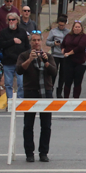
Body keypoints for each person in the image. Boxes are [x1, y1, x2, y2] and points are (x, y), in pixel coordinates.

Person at [16, 32, 57, 162]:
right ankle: (29, 153)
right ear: (30, 42)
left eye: (38, 40)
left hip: (46, 92)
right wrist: (30, 59)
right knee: (28, 124)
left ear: (41, 42)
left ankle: (43, 152)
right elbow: (19, 70)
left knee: (46, 125)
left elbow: (54, 72)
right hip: (30, 91)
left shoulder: (48, 56)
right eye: (34, 40)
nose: (36, 42)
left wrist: (45, 62)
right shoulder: (24, 55)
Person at [0, 12, 29, 99]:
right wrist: (13, 41)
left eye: (13, 19)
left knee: (21, 83)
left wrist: (27, 58)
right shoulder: (4, 32)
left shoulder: (22, 32)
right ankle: (10, 101)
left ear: (17, 21)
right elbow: (0, 44)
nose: (11, 21)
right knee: (8, 84)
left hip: (20, 62)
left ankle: (19, 101)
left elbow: (27, 46)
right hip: (8, 62)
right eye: (9, 20)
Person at [61, 21, 86, 98]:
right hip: (68, 62)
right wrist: (63, 49)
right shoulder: (68, 36)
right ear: (73, 28)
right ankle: (66, 99)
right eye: (76, 27)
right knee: (67, 82)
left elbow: (80, 47)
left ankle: (75, 99)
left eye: (79, 27)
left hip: (80, 62)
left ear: (81, 28)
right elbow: (63, 44)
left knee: (77, 82)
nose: (77, 28)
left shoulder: (84, 37)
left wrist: (69, 53)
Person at [47, 16, 69, 98]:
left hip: (64, 56)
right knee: (53, 73)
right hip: (55, 55)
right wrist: (54, 43)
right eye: (59, 25)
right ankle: (50, 90)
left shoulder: (68, 32)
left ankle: (59, 91)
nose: (61, 27)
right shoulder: (53, 32)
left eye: (62, 25)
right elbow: (47, 42)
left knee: (63, 75)